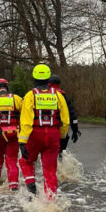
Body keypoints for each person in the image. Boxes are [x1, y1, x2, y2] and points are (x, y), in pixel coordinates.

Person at [18, 64, 70, 200]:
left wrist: (22, 141)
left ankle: (30, 184)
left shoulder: (30, 96)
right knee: (50, 170)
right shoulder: (58, 96)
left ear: (34, 79)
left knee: (26, 161)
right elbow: (65, 120)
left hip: (35, 135)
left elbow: (26, 122)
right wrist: (62, 136)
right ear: (48, 79)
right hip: (53, 135)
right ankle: (50, 202)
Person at [48, 75, 81, 153]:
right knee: (60, 153)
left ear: (48, 83)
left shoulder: (41, 95)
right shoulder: (63, 96)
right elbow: (72, 114)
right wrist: (75, 130)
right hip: (60, 131)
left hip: (44, 130)